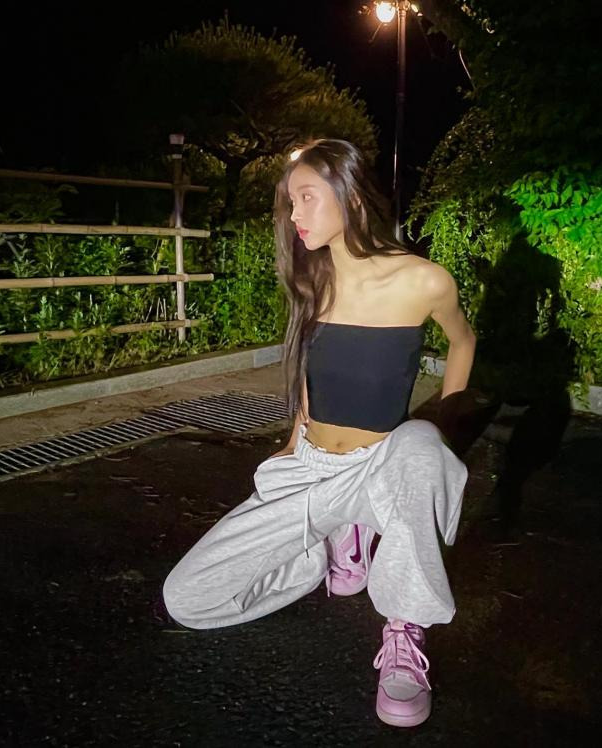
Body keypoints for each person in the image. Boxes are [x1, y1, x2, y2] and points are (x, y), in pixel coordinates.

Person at [163, 139, 476, 727]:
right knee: (188, 599)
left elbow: (463, 341)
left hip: (381, 464)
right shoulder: (316, 280)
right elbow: (312, 366)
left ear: (351, 196)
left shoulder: (423, 280)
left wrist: (447, 430)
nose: (294, 214)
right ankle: (329, 539)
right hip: (313, 467)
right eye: (290, 202)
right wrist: (293, 440)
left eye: (306, 197)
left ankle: (404, 629)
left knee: (419, 446)